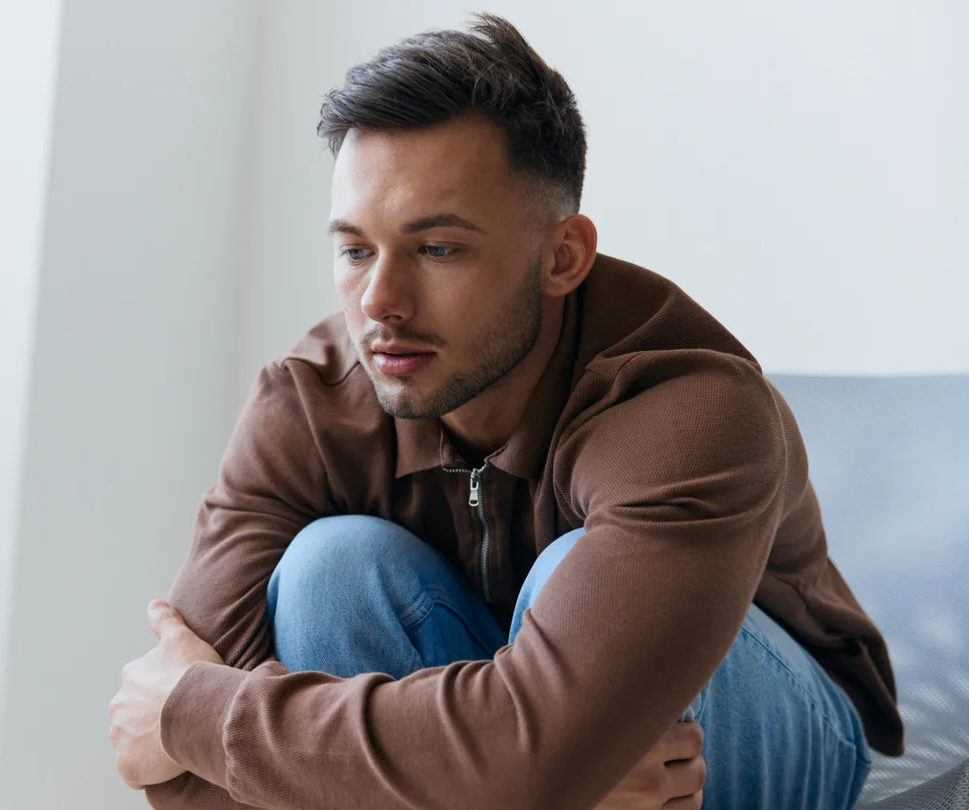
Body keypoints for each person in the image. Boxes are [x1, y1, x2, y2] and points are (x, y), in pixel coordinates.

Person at [108, 13, 903, 810]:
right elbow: (187, 786)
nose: (380, 302)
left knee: (565, 581)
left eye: (437, 248)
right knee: (332, 570)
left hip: (776, 721)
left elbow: (185, 727)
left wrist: (193, 713)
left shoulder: (690, 410)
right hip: (517, 727)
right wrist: (527, 771)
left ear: (563, 257)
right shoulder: (309, 402)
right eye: (355, 250)